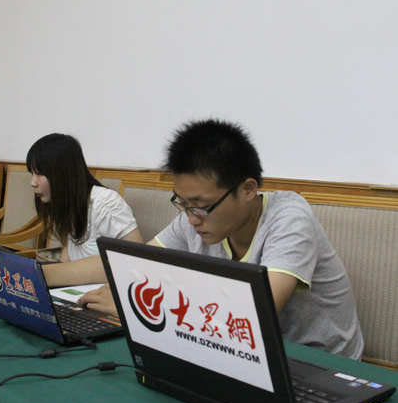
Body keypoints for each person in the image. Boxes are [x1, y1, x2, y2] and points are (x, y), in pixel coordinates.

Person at [76, 119, 364, 360]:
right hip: (238, 352)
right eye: (183, 203)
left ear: (248, 189)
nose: (191, 218)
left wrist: (135, 306)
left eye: (200, 205)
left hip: (318, 363)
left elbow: (254, 314)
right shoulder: (196, 216)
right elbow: (135, 266)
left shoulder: (289, 217)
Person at [26, 133, 143, 262]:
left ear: (64, 173)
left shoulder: (105, 203)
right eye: (32, 173)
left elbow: (138, 260)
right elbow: (67, 258)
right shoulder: (67, 204)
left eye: (39, 173)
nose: (33, 182)